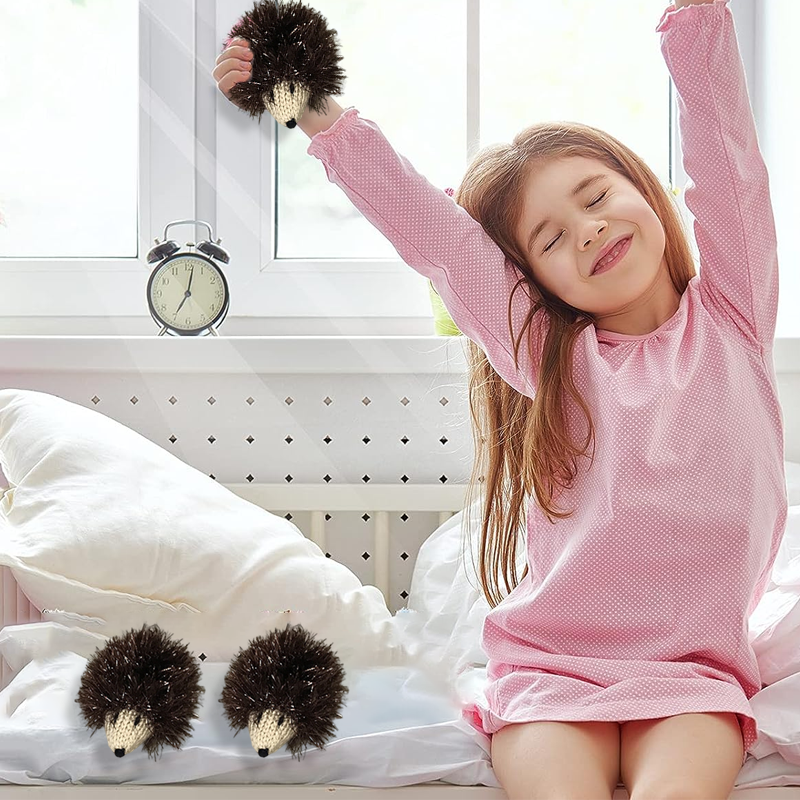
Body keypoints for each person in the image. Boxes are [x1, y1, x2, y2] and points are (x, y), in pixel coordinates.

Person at [214, 1, 787, 797]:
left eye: (595, 197)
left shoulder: (735, 317)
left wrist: (695, 18)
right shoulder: (550, 357)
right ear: (536, 283)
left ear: (647, 194)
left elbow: (729, 158)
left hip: (693, 671)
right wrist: (314, 110)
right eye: (550, 238)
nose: (586, 231)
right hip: (553, 670)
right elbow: (438, 237)